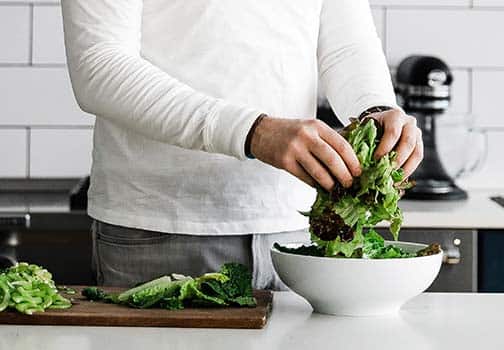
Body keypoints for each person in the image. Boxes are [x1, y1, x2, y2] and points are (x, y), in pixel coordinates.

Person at [61, 0, 423, 289]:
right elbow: (99, 63)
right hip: (162, 227)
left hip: (296, 232)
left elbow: (346, 45)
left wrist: (375, 108)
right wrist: (254, 132)